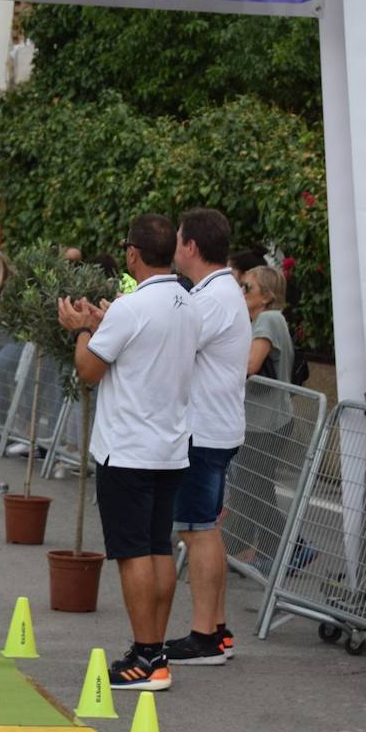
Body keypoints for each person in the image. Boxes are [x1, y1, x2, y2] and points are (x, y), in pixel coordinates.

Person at [58, 214, 199, 690]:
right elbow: (139, 350)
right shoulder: (187, 301)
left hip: (128, 448)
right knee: (158, 548)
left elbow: (88, 370)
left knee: (132, 553)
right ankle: (154, 649)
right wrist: (105, 325)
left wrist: (81, 329)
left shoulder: (132, 307)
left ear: (133, 253)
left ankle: (145, 657)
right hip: (170, 446)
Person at [164, 208, 251, 666]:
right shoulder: (217, 292)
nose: (175, 248)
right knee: (205, 530)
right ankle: (216, 630)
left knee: (197, 532)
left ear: (191, 246)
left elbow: (170, 343)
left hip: (205, 430)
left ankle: (204, 636)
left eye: (178, 240)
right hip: (215, 427)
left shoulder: (212, 297)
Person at [224, 266, 305, 576]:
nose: (242, 292)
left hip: (265, 423)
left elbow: (250, 364)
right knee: (255, 488)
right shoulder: (265, 320)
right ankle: (270, 550)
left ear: (267, 297)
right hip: (264, 420)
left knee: (253, 488)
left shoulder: (269, 319)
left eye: (248, 288)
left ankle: (285, 551)